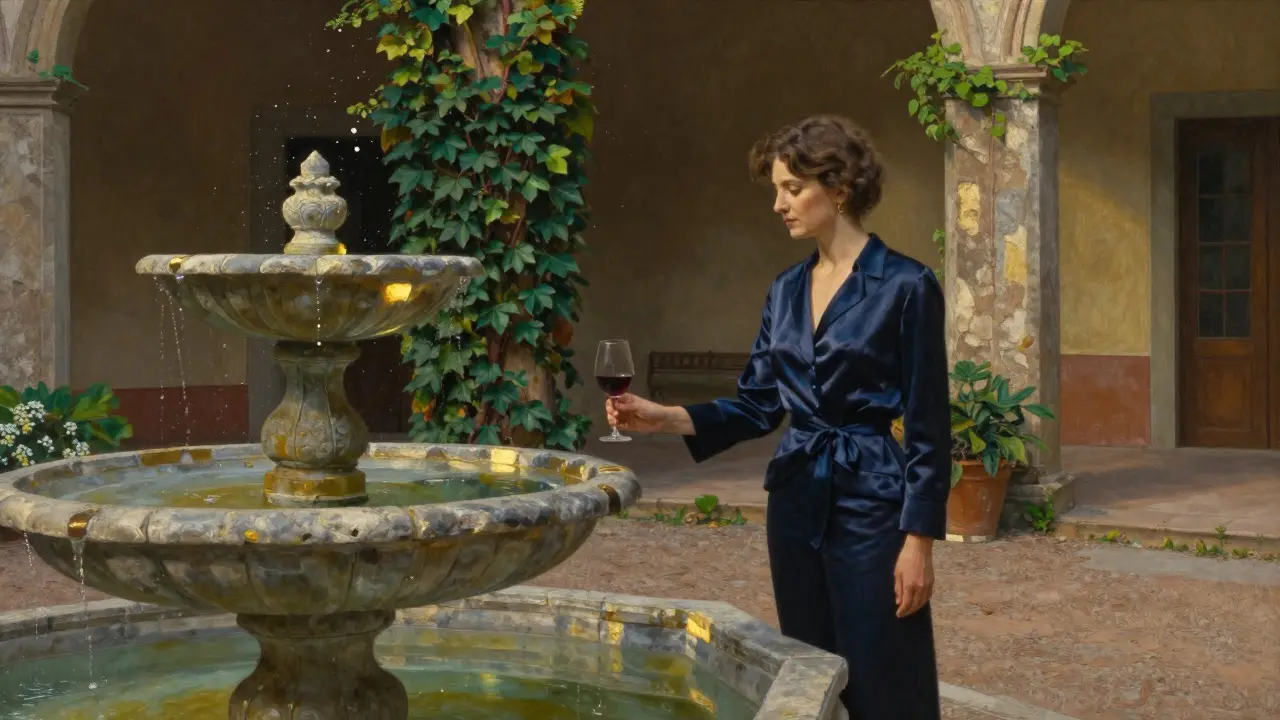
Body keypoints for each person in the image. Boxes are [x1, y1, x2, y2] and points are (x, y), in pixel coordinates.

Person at [606, 114, 949, 719]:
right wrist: (666, 418)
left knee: (882, 667)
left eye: (792, 189)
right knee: (809, 667)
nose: (778, 204)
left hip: (873, 504)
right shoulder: (785, 290)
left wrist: (917, 541)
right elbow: (760, 403)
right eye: (776, 190)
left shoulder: (906, 285)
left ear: (838, 188)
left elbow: (928, 427)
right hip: (795, 499)